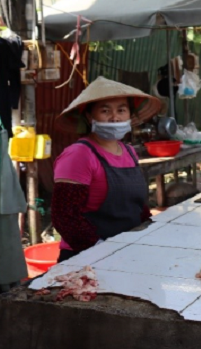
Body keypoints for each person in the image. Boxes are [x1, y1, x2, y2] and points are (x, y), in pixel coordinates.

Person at [51, 76, 163, 262]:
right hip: (86, 256)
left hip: (128, 249)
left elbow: (138, 207)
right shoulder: (79, 155)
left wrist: (147, 234)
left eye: (121, 110)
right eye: (105, 111)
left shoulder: (129, 151)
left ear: (130, 115)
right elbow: (65, 216)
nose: (114, 117)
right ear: (89, 116)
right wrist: (100, 250)